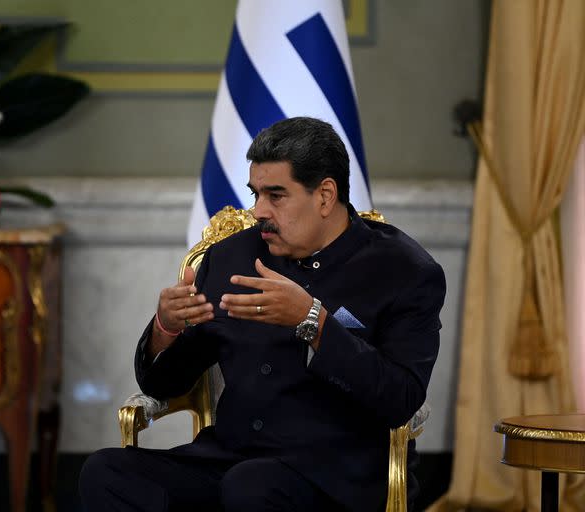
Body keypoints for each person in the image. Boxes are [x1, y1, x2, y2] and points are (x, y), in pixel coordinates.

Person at [79, 117, 446, 511]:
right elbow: (164, 384)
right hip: (229, 458)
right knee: (106, 472)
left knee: (251, 486)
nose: (258, 211)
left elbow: (401, 397)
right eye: (255, 194)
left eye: (276, 196)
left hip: (335, 474)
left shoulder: (404, 271)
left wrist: (314, 322)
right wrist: (166, 328)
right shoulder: (231, 257)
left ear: (324, 196)